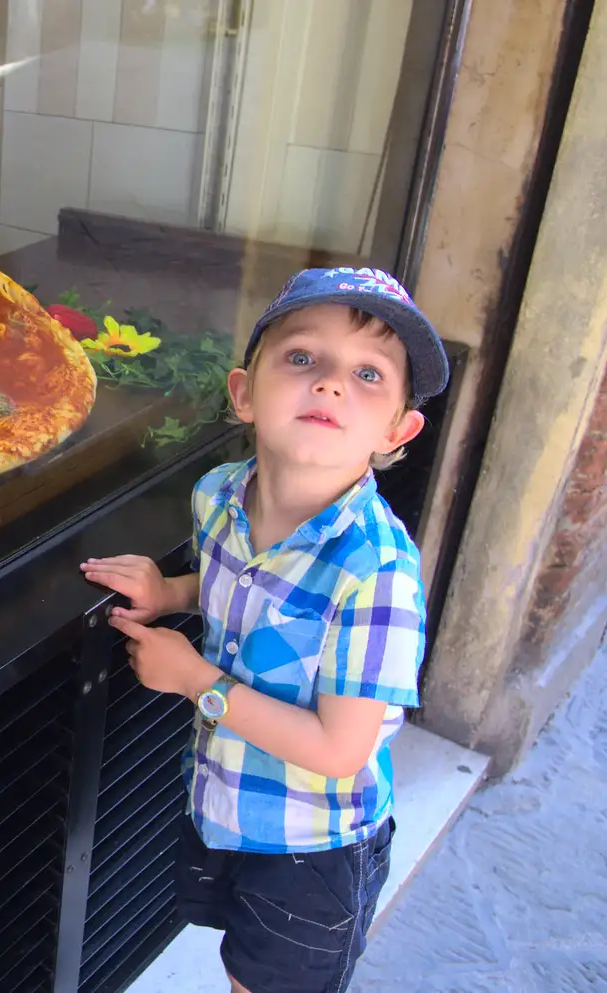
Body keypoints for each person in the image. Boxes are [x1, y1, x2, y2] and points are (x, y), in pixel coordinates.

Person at [80, 268, 450, 993]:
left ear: (397, 430)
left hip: (314, 847)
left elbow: (341, 749)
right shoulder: (220, 495)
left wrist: (196, 681)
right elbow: (238, 591)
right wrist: (170, 590)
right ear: (245, 392)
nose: (332, 384)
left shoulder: (377, 571)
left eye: (368, 374)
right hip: (231, 804)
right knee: (240, 962)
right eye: (304, 358)